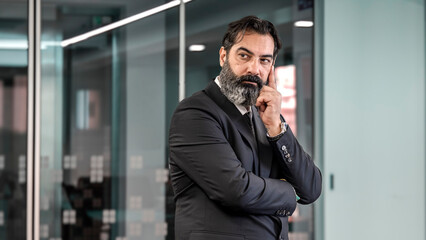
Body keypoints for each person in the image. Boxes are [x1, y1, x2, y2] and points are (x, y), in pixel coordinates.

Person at [169, 15, 322, 240]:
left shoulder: (266, 117)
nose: (254, 68)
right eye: (244, 55)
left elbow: (310, 188)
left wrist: (276, 126)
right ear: (223, 56)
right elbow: (236, 190)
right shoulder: (195, 113)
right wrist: (289, 191)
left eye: (264, 60)